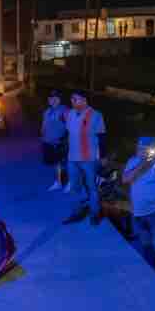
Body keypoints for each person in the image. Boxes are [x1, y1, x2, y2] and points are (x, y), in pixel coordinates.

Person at [121, 137, 155, 271]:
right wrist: (143, 165)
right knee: (145, 241)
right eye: (139, 147)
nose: (140, 150)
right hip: (138, 211)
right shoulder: (132, 161)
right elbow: (125, 179)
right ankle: (150, 267)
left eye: (144, 148)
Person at [62, 90, 107, 225]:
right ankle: (76, 212)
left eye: (76, 99)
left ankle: (95, 213)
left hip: (89, 158)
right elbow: (69, 133)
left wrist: (103, 156)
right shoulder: (70, 114)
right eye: (72, 99)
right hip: (72, 158)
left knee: (91, 187)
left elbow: (102, 137)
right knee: (74, 187)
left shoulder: (96, 115)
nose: (73, 102)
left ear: (84, 100)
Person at [41, 90, 69, 191]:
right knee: (56, 164)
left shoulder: (64, 111)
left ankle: (71, 183)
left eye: (55, 98)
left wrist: (66, 140)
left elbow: (71, 127)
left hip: (60, 142)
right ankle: (59, 182)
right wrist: (43, 137)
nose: (53, 100)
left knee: (65, 163)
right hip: (48, 142)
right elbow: (44, 126)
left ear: (60, 100)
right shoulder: (47, 111)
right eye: (50, 98)